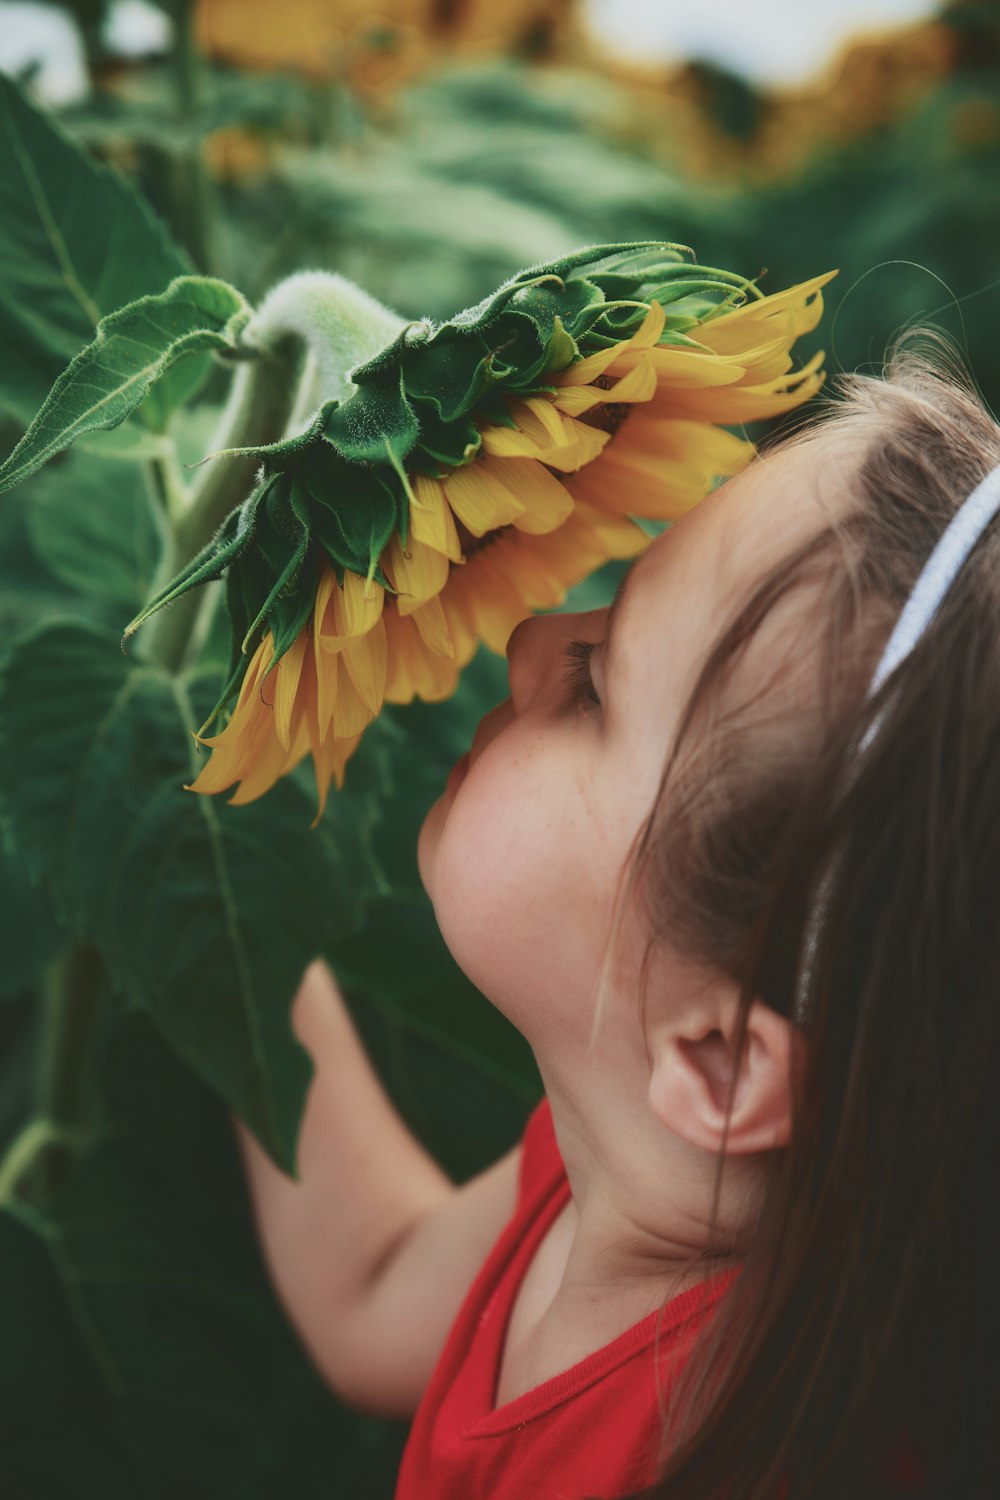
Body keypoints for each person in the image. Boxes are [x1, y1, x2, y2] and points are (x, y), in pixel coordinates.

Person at [235, 328, 1000, 1499]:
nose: (532, 640)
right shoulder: (649, 1175)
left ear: (725, 1061)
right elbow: (375, 1287)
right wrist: (234, 936)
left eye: (596, 683)